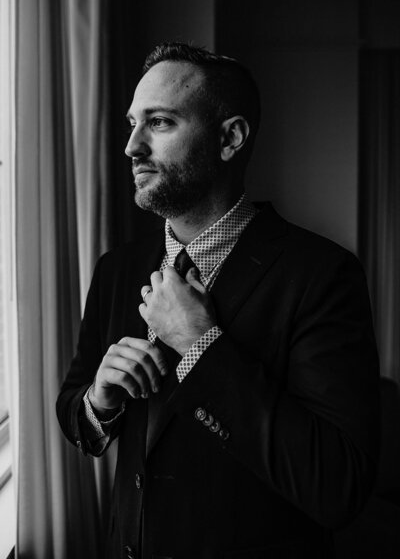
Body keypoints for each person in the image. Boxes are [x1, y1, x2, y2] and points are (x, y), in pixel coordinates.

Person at [57, 42, 380, 559]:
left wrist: (201, 345)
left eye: (159, 123)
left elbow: (338, 486)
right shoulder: (115, 269)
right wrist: (99, 400)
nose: (131, 147)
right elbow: (75, 412)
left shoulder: (322, 275)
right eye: (131, 123)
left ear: (229, 138)